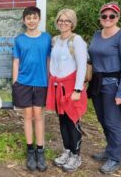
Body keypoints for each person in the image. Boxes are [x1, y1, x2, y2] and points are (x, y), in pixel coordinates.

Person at [88, 2, 121, 174]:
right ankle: (109, 149)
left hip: (113, 85)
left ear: (117, 18)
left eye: (112, 16)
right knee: (103, 120)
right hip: (97, 83)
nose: (107, 19)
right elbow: (90, 58)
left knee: (113, 123)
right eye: (104, 16)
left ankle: (114, 158)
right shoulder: (97, 34)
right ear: (100, 18)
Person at [46, 9, 88, 172]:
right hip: (57, 87)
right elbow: (53, 63)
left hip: (72, 87)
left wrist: (78, 89)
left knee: (73, 121)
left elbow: (82, 65)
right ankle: (67, 151)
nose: (63, 23)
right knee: (62, 121)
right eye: (60, 20)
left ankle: (76, 156)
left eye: (67, 20)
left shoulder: (77, 40)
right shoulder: (55, 40)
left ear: (72, 23)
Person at [12, 6, 51, 172]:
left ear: (39, 19)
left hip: (41, 83)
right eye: (28, 18)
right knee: (27, 116)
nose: (31, 21)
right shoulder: (19, 39)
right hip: (24, 83)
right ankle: (30, 151)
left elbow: (49, 59)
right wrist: (15, 82)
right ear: (24, 20)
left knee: (39, 116)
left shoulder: (47, 38)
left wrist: (50, 80)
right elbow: (16, 61)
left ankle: (40, 151)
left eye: (34, 17)